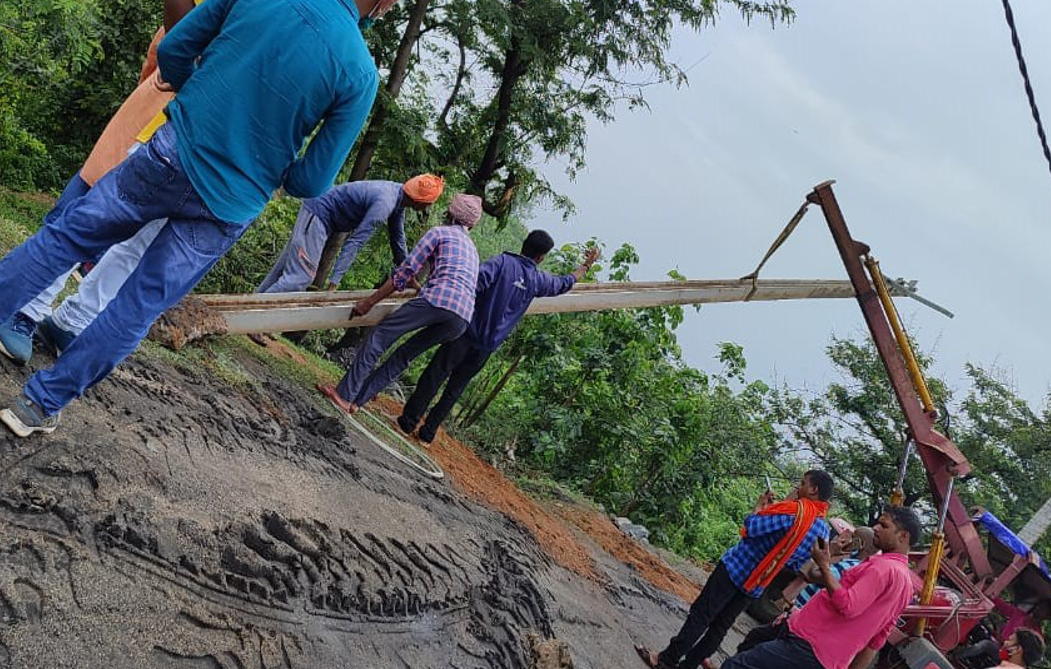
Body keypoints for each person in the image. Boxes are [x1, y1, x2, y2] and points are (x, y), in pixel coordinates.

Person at [0, 0, 414, 437]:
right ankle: (38, 405)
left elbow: (176, 47)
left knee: (67, 238)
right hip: (229, 206)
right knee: (138, 306)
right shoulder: (359, 74)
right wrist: (270, 167)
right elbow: (311, 181)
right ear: (387, 2)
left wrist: (197, 94)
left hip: (168, 156)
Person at [0, 0, 349, 364]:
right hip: (173, 113)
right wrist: (194, 74)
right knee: (89, 207)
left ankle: (72, 320)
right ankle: (24, 309)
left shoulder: (337, 31)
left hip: (217, 152)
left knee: (140, 242)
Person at [396, 231, 600, 443]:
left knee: (435, 374)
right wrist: (586, 266)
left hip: (464, 331)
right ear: (541, 257)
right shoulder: (537, 280)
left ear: (524, 245)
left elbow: (472, 284)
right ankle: (427, 433)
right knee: (455, 389)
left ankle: (408, 422)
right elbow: (564, 283)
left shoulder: (501, 263)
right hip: (487, 346)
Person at [635, 471, 834, 669]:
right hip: (757, 583)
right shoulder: (822, 532)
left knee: (702, 614)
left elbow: (752, 527)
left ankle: (666, 659)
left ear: (813, 489)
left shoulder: (792, 512)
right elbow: (795, 564)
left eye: (803, 483)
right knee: (720, 627)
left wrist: (760, 507)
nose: (798, 486)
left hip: (736, 567)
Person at [318, 193, 484, 414]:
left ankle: (344, 395)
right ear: (471, 224)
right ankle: (357, 401)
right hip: (462, 318)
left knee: (379, 337)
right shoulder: (472, 249)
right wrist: (420, 288)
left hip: (437, 301)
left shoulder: (439, 233)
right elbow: (455, 282)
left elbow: (404, 272)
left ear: (450, 213)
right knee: (405, 355)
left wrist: (370, 302)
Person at [721, 506, 923, 669]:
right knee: (754, 641)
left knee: (736, 665)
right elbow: (877, 640)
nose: (876, 528)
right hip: (820, 651)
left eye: (884, 525)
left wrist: (825, 565)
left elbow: (848, 604)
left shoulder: (882, 568)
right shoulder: (905, 586)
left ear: (903, 537)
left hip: (810, 644)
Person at [256, 175, 444, 295]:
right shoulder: (384, 204)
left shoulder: (397, 197)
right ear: (420, 202)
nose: (430, 206)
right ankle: (253, 317)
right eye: (431, 202)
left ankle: (248, 311)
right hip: (318, 215)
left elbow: (398, 239)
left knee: (283, 269)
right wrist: (334, 281)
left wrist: (408, 273)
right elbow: (355, 241)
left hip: (321, 218)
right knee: (301, 276)